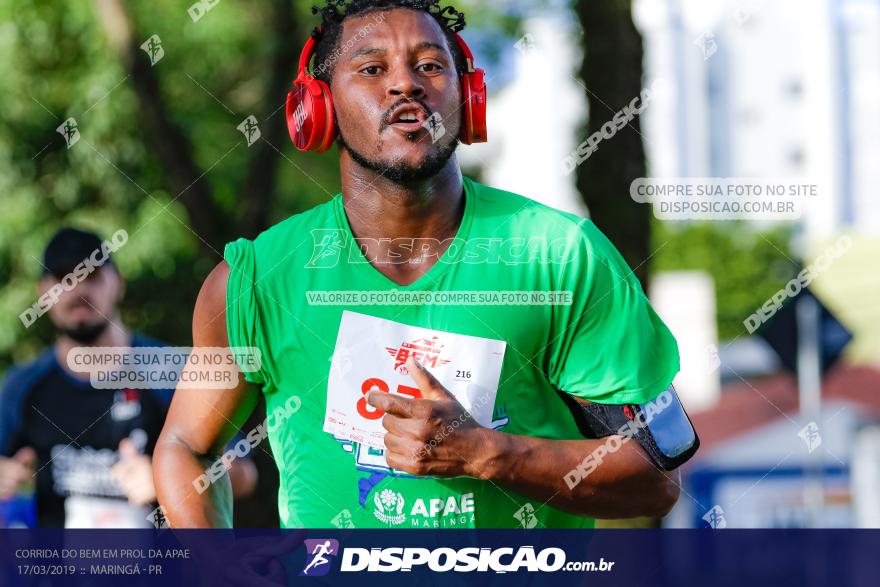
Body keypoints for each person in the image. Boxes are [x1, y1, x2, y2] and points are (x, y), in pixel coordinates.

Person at [155, 0, 693, 529]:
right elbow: (185, 447)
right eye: (371, 69)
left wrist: (486, 453)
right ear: (317, 108)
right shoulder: (256, 281)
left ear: (468, 96)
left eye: (431, 66)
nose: (406, 84)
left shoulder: (558, 256)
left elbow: (654, 480)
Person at [0, 228, 256, 527]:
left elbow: (244, 475)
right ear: (42, 293)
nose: (78, 290)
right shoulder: (23, 386)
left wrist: (171, 480)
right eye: (63, 279)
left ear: (118, 284)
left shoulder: (172, 370)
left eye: (92, 276)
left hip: (163, 570)